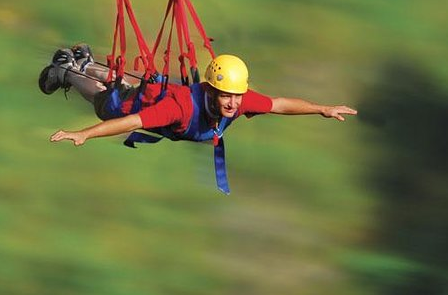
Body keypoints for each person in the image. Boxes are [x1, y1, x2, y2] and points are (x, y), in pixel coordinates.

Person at [39, 44, 357, 193]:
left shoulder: (239, 98)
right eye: (226, 96)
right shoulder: (179, 109)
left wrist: (322, 109)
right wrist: (84, 134)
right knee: (106, 99)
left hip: (147, 93)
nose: (233, 103)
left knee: (127, 85)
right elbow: (131, 123)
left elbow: (279, 104)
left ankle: (85, 62)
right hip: (131, 109)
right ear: (210, 89)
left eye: (236, 96)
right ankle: (66, 71)